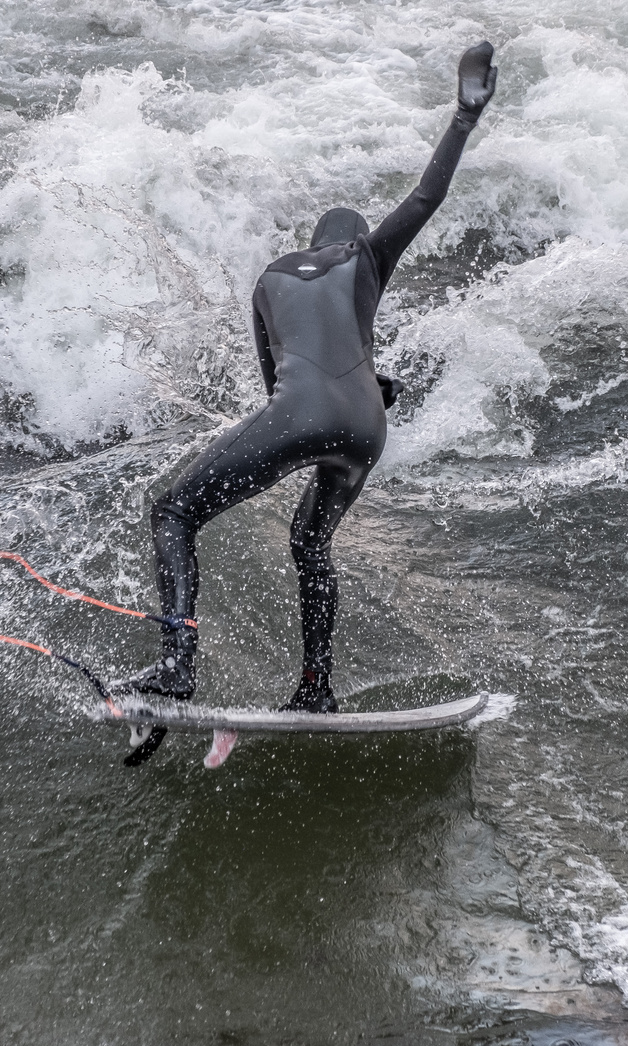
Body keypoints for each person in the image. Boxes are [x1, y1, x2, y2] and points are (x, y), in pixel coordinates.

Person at [113, 41, 499, 763]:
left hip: (306, 415)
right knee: (310, 542)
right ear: (355, 241)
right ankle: (316, 685)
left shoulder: (270, 278)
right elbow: (425, 198)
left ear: (308, 244)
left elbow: (282, 388)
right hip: (366, 431)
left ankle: (176, 668)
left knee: (173, 510)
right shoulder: (367, 257)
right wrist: (463, 118)